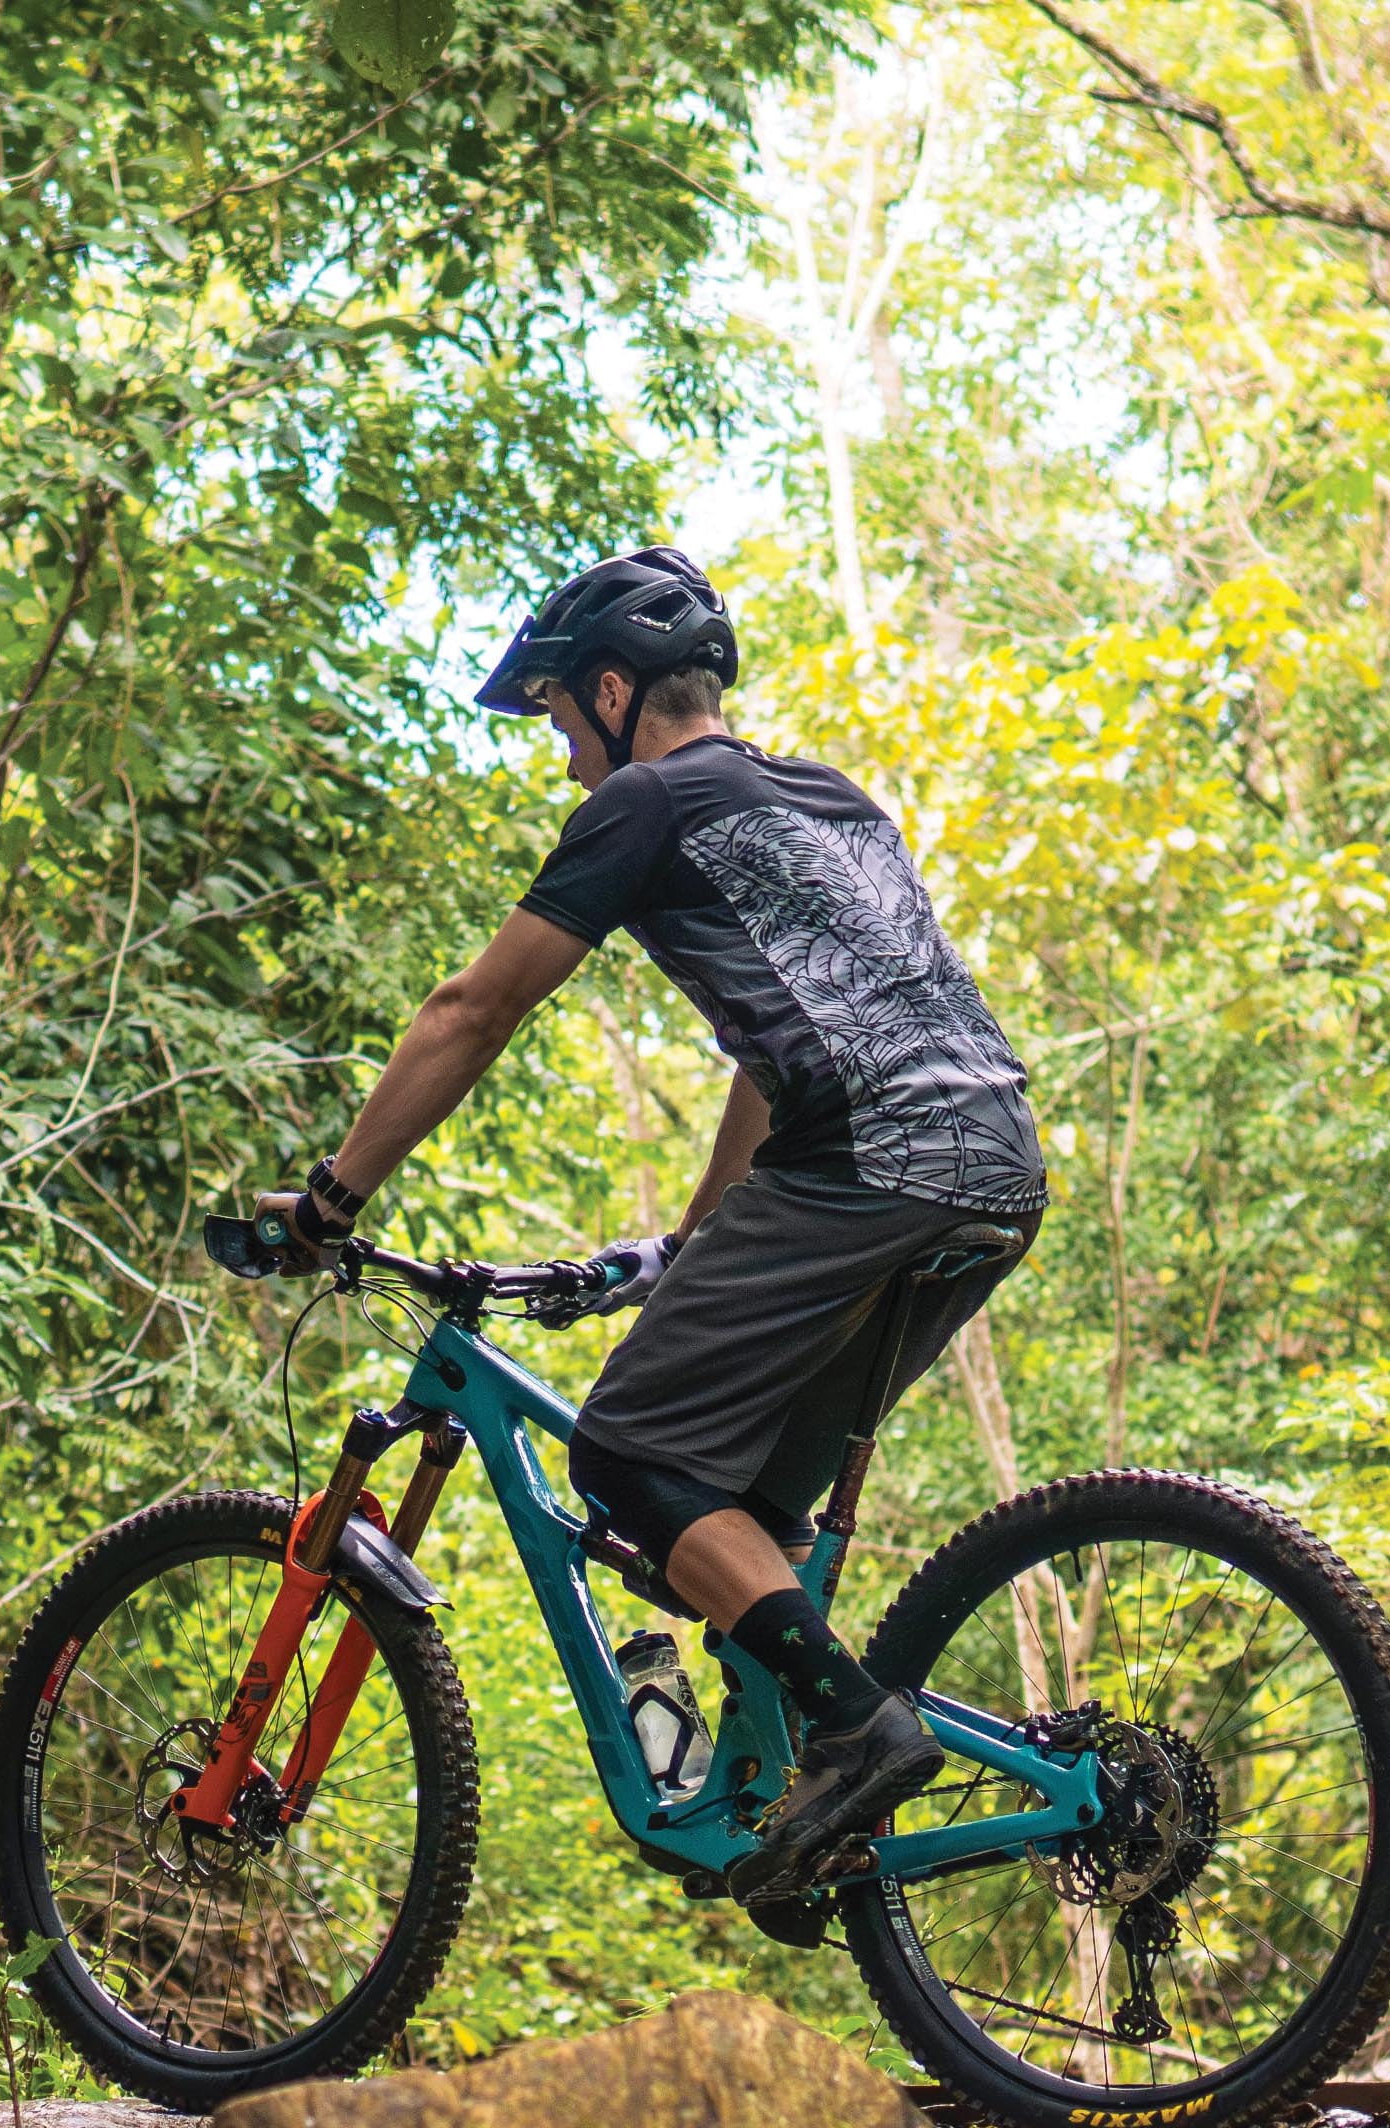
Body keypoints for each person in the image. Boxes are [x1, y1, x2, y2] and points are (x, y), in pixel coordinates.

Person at [247, 546, 1053, 1904]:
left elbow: (471, 1012)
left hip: (863, 1163)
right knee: (734, 1512)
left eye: (564, 720)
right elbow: (771, 1044)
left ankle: (855, 1731)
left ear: (615, 693)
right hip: (996, 1164)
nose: (566, 758)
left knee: (627, 1458)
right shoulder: (833, 803)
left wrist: (333, 1204)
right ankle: (797, 1815)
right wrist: (693, 1244)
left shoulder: (650, 805)